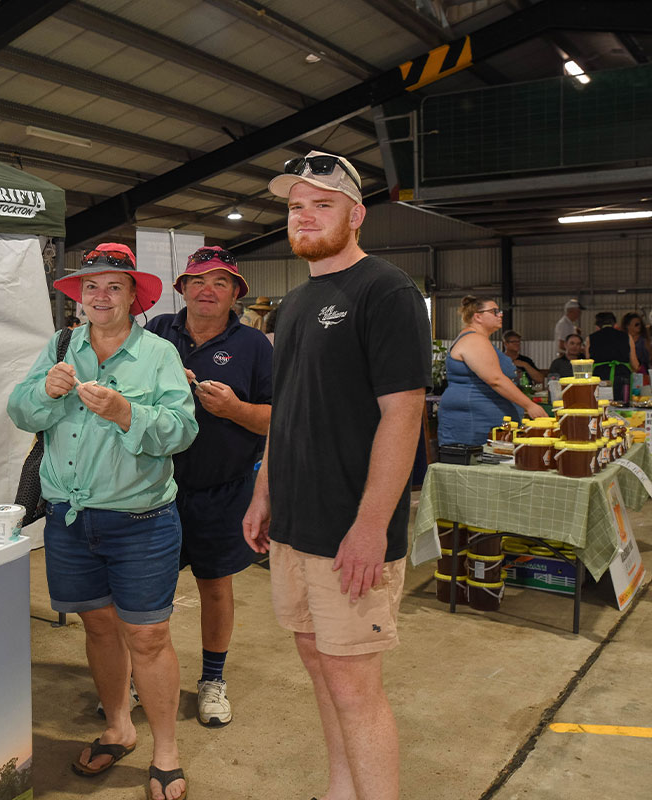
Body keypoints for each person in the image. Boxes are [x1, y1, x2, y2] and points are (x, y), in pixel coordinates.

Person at [242, 150, 430, 800]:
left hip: (352, 531)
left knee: (355, 684)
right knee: (319, 667)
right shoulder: (293, 304)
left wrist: (372, 526)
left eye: (323, 204)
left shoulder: (387, 290)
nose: (306, 216)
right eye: (296, 206)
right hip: (296, 526)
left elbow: (403, 414)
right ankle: (342, 790)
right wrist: (264, 489)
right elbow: (287, 409)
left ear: (356, 214)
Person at [7, 243, 197, 800]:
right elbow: (20, 411)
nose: (101, 296)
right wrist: (45, 390)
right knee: (98, 626)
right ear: (78, 297)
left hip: (141, 519)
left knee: (149, 634)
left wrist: (125, 412)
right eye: (91, 286)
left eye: (114, 286)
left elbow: (183, 430)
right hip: (69, 519)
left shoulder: (158, 353)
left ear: (134, 296)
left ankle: (166, 752)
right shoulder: (61, 346)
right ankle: (118, 726)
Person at [145, 245, 273, 728]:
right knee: (148, 590)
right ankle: (144, 676)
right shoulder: (156, 332)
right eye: (198, 281)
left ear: (235, 293)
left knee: (215, 585)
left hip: (223, 490)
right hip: (154, 489)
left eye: (220, 282)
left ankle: (212, 680)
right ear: (182, 288)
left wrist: (234, 409)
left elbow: (275, 420)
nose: (207, 290)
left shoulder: (255, 346)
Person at [439, 298, 547, 446]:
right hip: (474, 421)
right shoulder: (474, 340)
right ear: (478, 316)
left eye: (500, 311)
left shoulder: (479, 339)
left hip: (482, 417)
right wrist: (530, 405)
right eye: (494, 311)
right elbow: (495, 379)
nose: (500, 314)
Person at [587, 311, 638, 401]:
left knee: (602, 407)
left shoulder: (591, 338)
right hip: (622, 379)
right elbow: (635, 364)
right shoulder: (627, 337)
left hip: (600, 379)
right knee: (622, 407)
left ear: (597, 327)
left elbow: (588, 365)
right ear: (615, 325)